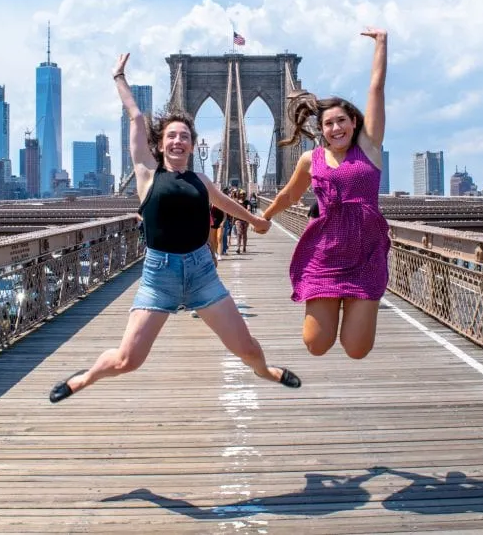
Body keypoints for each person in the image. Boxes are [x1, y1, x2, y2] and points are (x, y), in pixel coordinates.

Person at [49, 52, 301, 403]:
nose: (178, 141)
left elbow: (224, 204)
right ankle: (85, 378)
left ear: (193, 144)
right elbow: (136, 117)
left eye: (184, 136)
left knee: (245, 347)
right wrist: (119, 78)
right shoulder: (147, 174)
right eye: (172, 136)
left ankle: (265, 371)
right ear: (161, 142)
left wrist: (256, 219)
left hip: (201, 272)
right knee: (127, 360)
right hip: (159, 276)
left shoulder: (201, 179)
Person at [260, 28, 389, 360]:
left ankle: (358, 307)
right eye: (328, 123)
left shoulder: (370, 149)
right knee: (316, 344)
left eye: (342, 120)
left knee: (357, 349)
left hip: (366, 254)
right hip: (325, 255)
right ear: (321, 129)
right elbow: (289, 197)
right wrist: (263, 217)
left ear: (354, 122)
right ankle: (335, 307)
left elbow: (376, 88)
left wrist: (381, 43)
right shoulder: (310, 159)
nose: (336, 128)